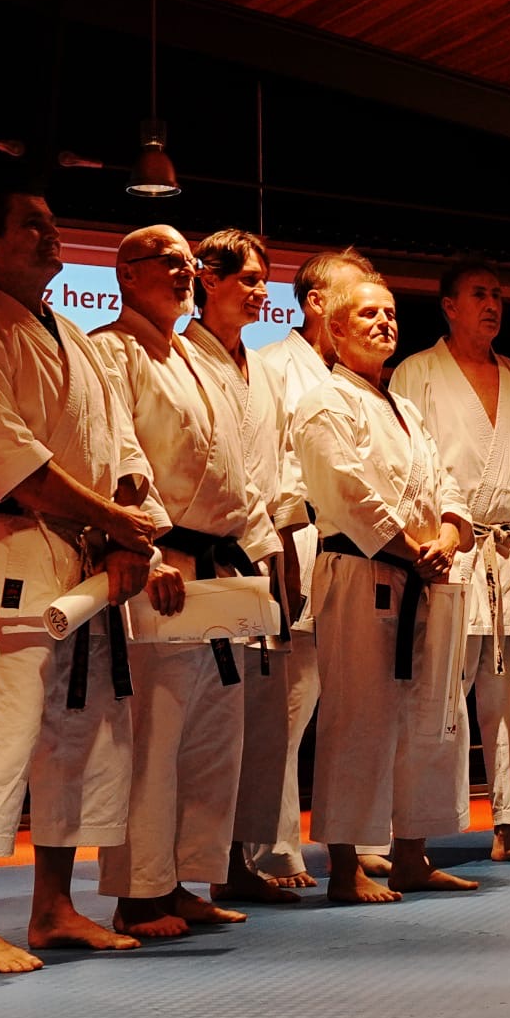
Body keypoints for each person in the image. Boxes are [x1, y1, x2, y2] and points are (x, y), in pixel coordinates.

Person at [0, 189, 159, 973]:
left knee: (79, 733)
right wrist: (116, 525)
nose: (52, 234)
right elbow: (12, 463)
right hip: (7, 550)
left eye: (54, 223)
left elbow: (122, 447)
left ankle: (54, 909)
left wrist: (128, 531)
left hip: (84, 559)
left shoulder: (74, 338)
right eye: (32, 225)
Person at [91, 226, 280, 937]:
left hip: (221, 566)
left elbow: (237, 472)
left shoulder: (197, 359)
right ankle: (139, 892)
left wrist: (260, 551)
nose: (182, 273)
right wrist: (146, 548)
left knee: (211, 735)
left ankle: (181, 881)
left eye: (187, 263)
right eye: (167, 262)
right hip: (162, 565)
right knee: (154, 736)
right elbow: (116, 458)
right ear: (126, 273)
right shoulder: (113, 350)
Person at [292, 270, 480, 898]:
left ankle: (411, 854)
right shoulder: (324, 401)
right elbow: (345, 491)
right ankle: (345, 865)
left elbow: (445, 482)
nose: (384, 322)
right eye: (368, 314)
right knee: (357, 718)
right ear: (334, 327)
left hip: (423, 575)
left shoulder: (404, 409)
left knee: (426, 717)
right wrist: (410, 547)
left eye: (391, 313)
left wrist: (448, 535)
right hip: (361, 572)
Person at [391, 260, 510, 864]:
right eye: (479, 294)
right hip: (449, 550)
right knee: (437, 695)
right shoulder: (416, 373)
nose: (492, 304)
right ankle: (414, 831)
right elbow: (404, 466)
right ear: (449, 306)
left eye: (498, 295)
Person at [251, 248, 389, 884]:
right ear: (317, 304)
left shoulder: (362, 380)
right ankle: (273, 848)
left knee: (357, 703)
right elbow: (272, 468)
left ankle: (358, 836)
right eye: (353, 295)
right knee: (290, 704)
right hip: (297, 543)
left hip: (360, 550)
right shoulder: (275, 367)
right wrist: (281, 555)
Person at [183, 229, 313, 905]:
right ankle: (173, 872)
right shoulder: (179, 357)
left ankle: (234, 861)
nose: (262, 292)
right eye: (250, 280)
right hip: (198, 558)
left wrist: (286, 565)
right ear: (208, 279)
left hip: (258, 557)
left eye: (264, 280)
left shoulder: (263, 371)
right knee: (198, 724)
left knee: (252, 722)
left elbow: (285, 471)